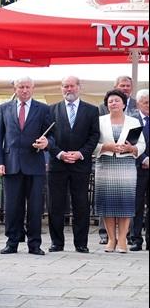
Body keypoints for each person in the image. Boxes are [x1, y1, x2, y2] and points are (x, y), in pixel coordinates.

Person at [0, 76, 53, 255]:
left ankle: (34, 244)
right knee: (12, 207)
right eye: (21, 87)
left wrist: (46, 144)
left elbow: (52, 135)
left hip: (35, 164)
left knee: (35, 207)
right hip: (11, 164)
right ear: (15, 89)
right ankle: (12, 242)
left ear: (33, 88)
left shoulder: (43, 109)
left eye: (27, 87)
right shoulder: (4, 108)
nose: (24, 90)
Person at [45, 76, 100, 254]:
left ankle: (81, 243)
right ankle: (57, 242)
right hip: (57, 164)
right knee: (56, 205)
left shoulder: (92, 110)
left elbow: (94, 136)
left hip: (80, 164)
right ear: (61, 88)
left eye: (72, 86)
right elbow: (48, 136)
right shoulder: (51, 110)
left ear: (79, 88)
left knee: (81, 204)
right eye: (65, 86)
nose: (69, 89)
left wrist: (81, 153)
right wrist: (59, 153)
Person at [94, 89, 145, 253]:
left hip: (126, 166)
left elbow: (142, 144)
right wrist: (105, 147)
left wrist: (132, 148)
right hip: (105, 164)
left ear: (124, 104)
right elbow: (91, 142)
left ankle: (122, 238)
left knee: (125, 203)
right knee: (107, 203)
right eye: (110, 101)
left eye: (117, 100)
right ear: (106, 104)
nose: (113, 103)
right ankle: (111, 239)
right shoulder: (99, 121)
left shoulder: (133, 121)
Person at [130, 89, 150, 251]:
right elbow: (131, 143)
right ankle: (136, 239)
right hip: (137, 168)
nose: (149, 105)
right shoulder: (133, 121)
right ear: (138, 104)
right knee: (136, 205)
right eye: (146, 102)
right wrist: (144, 158)